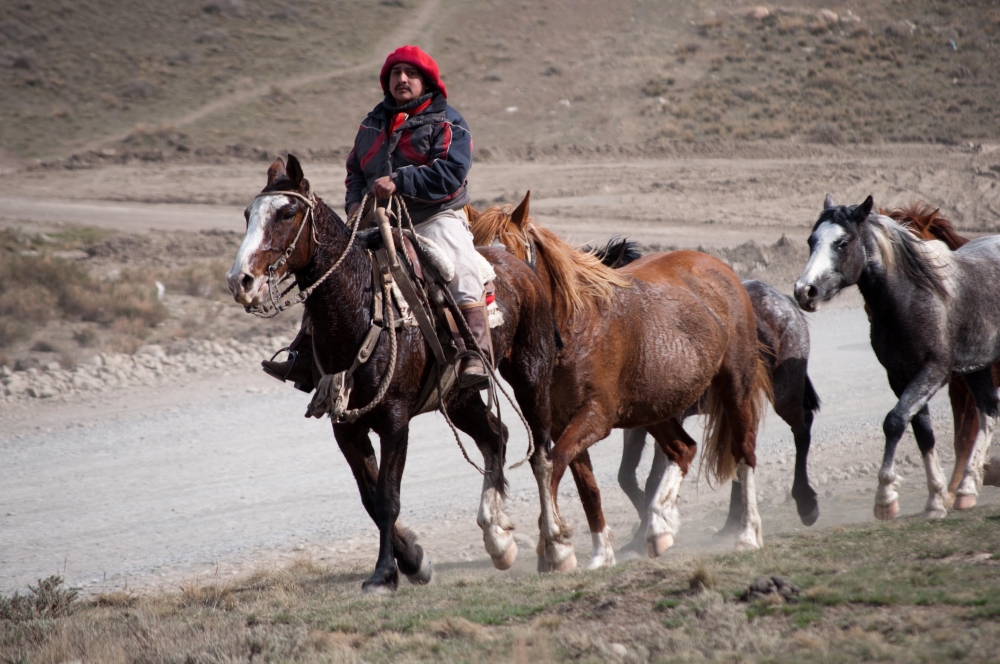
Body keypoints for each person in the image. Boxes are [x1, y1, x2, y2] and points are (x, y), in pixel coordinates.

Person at [262, 45, 490, 391]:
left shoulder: (449, 122)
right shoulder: (371, 124)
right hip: (375, 216)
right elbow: (355, 171)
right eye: (396, 74)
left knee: (459, 266)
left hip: (434, 215)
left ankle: (473, 352)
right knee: (331, 272)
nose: (402, 79)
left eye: (411, 74)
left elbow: (452, 172)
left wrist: (401, 180)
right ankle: (305, 352)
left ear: (426, 81)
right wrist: (354, 205)